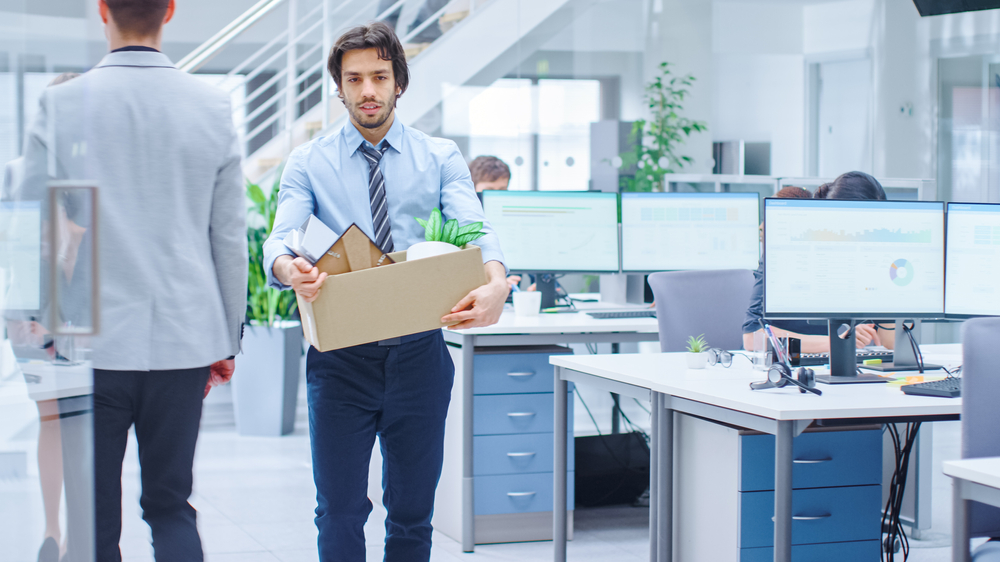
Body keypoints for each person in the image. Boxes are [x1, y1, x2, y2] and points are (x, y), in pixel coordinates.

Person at [262, 22, 508, 562]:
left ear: (399, 81)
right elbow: (280, 238)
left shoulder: (439, 157)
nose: (368, 90)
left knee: (412, 516)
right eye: (354, 79)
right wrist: (287, 267)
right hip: (339, 362)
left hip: (419, 357)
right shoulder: (309, 161)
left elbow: (477, 228)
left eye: (379, 76)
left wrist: (496, 282)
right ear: (339, 86)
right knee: (340, 512)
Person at [19, 1, 247, 560]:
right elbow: (230, 238)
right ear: (170, 10)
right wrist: (226, 341)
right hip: (185, 340)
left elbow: (32, 227)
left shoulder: (61, 104)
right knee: (171, 505)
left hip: (87, 344)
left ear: (102, 10)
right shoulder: (213, 107)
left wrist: (34, 325)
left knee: (93, 516)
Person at [2, 71, 80, 562]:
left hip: (27, 313)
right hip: (74, 313)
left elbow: (17, 248)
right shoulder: (95, 173)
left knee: (51, 423)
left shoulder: (18, 169)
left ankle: (54, 530)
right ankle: (72, 533)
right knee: (84, 428)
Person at [743, 172, 893, 353]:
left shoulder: (871, 259)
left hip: (850, 367)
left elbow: (891, 343)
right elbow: (753, 339)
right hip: (787, 367)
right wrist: (835, 342)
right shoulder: (783, 251)